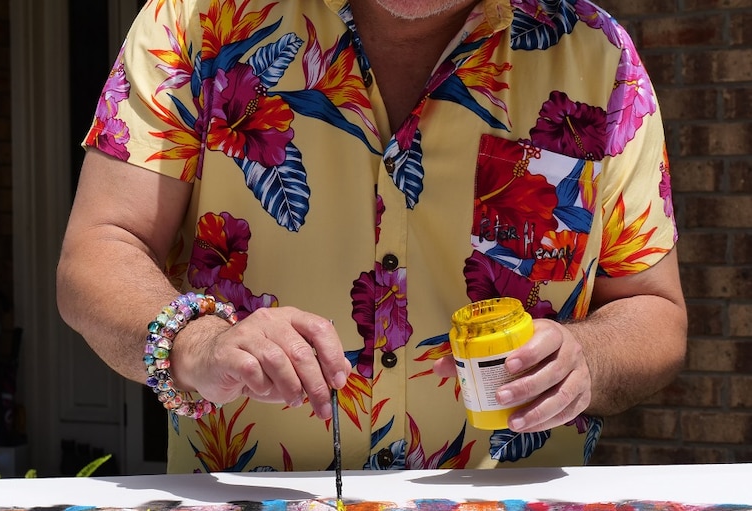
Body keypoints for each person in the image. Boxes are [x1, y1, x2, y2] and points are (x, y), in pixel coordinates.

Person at [56, 0, 687, 473]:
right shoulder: (193, 22)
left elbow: (652, 310)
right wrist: (197, 343)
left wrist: (588, 359)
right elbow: (98, 252)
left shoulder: (596, 56)